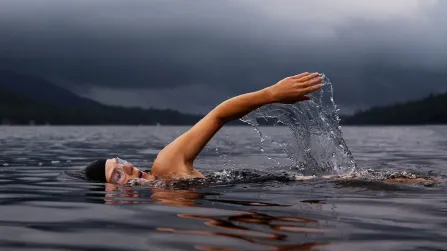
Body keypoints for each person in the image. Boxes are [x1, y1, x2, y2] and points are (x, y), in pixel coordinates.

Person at [84, 72, 325, 185]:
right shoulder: (163, 204)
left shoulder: (165, 166)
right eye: (117, 174)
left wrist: (271, 94)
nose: (128, 166)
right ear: (111, 196)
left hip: (305, 184)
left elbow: (218, 115)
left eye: (120, 161)